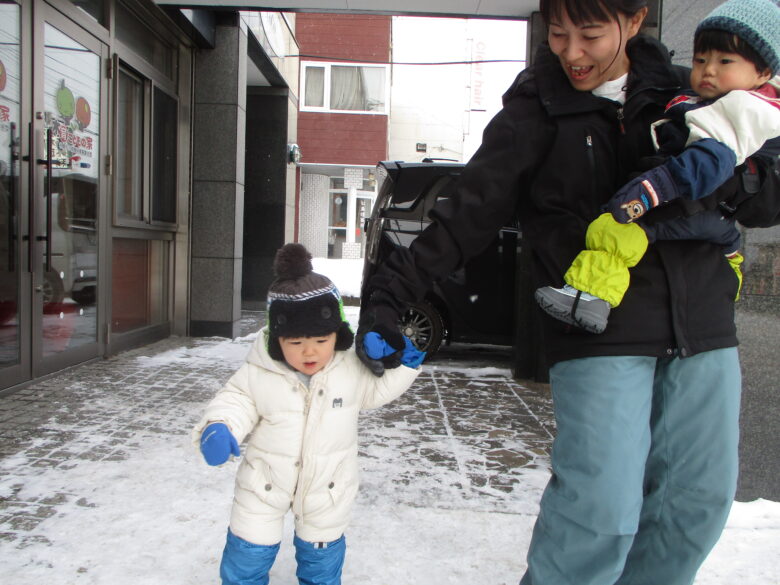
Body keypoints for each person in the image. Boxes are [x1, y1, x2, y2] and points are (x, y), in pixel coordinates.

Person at [355, 0, 780, 584]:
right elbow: (465, 215)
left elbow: (766, 189)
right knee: (599, 512)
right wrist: (388, 296)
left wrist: (737, 177)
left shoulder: (694, 95)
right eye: (558, 33)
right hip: (597, 326)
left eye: (590, 34)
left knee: (695, 504)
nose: (571, 52)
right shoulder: (535, 113)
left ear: (635, 22)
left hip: (703, 326)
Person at [535, 0, 780, 333]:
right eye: (700, 59)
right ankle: (731, 269)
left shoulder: (740, 108)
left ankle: (590, 296)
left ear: (763, 73)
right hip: (705, 219)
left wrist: (652, 190)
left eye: (724, 61)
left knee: (616, 228)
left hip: (689, 207)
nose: (708, 70)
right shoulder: (708, 98)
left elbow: (708, 161)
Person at [193, 243, 424, 585]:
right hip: (263, 484)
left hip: (327, 487)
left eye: (321, 340)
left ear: (337, 334)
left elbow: (376, 391)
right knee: (247, 556)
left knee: (322, 563)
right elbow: (237, 399)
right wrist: (219, 426)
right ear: (277, 340)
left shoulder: (348, 369)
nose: (310, 352)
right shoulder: (261, 370)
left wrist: (406, 366)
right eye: (296, 343)